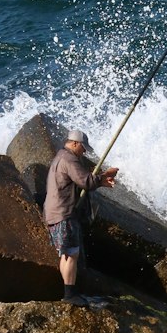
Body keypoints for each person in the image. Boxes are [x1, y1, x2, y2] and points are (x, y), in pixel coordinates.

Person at [42, 129, 118, 305]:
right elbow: (86, 181)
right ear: (75, 144)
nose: (84, 151)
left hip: (54, 213)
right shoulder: (69, 159)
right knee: (71, 254)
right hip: (64, 213)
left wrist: (100, 180)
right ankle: (70, 295)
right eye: (83, 148)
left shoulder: (59, 157)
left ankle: (70, 292)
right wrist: (103, 178)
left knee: (66, 254)